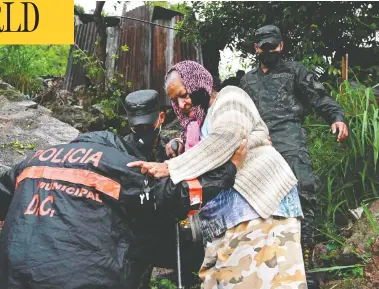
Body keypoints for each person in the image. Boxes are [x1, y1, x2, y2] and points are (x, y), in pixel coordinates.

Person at [129, 60, 308, 289]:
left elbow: (227, 137)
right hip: (225, 224)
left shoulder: (230, 97)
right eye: (174, 101)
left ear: (199, 83)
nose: (181, 105)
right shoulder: (197, 126)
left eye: (184, 95)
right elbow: (210, 147)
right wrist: (183, 146)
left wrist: (171, 167)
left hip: (260, 210)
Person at [0, 128, 244, 289]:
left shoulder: (33, 160)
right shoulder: (117, 163)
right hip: (83, 279)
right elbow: (173, 196)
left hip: (14, 276)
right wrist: (228, 169)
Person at [239, 25, 349, 289]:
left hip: (289, 137)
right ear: (257, 48)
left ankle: (305, 260)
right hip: (258, 143)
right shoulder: (247, 81)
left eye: (273, 46)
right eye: (264, 47)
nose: (269, 51)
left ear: (281, 46)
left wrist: (336, 117)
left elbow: (319, 96)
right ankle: (265, 263)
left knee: (305, 188)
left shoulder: (295, 71)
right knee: (257, 200)